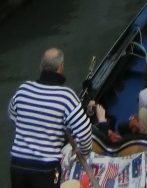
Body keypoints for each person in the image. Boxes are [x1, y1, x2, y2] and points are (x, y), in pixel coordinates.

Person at [8, 47, 92, 187]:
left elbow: (12, 115)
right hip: (45, 169)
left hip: (18, 166)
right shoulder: (66, 96)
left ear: (41, 67)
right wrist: (84, 152)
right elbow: (84, 131)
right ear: (61, 67)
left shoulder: (23, 89)